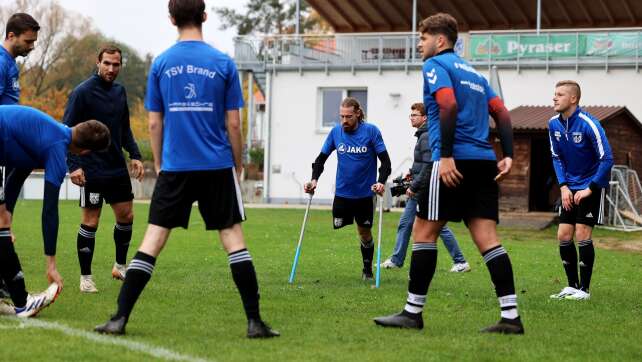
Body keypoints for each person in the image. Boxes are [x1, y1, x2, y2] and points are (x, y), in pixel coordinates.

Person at [94, 0, 279, 338]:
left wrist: (162, 163)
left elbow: (154, 122)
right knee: (233, 239)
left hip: (176, 167)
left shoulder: (162, 63)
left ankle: (119, 318)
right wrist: (237, 164)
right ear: (204, 17)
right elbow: (234, 124)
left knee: (153, 240)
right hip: (216, 165)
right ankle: (254, 322)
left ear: (171, 19)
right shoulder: (223, 62)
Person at [373, 13, 523, 334]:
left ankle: (412, 313)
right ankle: (511, 317)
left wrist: (447, 155)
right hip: (483, 161)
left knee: (423, 233)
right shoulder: (474, 73)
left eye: (423, 39)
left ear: (440, 40)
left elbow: (448, 105)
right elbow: (502, 112)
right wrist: (508, 154)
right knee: (487, 239)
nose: (419, 44)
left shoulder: (435, 66)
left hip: (452, 162)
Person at [0, 105, 110, 316]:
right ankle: (23, 303)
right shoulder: (57, 150)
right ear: (86, 152)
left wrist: (8, 216)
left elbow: (16, 177)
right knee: (1, 224)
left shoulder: (49, 133)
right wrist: (51, 264)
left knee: (2, 222)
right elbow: (49, 211)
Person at [64, 45, 144, 293]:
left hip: (116, 167)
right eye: (107, 63)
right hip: (91, 169)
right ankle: (86, 278)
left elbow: (124, 128)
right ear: (98, 63)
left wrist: (136, 154)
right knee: (91, 221)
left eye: (116, 64)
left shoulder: (120, 92)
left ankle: (120, 266)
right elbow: (65, 131)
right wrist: (74, 165)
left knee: (127, 216)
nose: (111, 69)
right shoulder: (82, 92)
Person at [304, 97, 392, 280]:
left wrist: (381, 181)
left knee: (364, 232)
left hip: (365, 194)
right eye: (341, 116)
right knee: (338, 223)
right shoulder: (336, 133)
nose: (344, 121)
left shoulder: (371, 132)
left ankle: (367, 270)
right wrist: (314, 180)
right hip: (343, 193)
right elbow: (320, 160)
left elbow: (385, 162)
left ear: (358, 114)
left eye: (348, 117)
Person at [381, 102, 470, 272]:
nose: (411, 118)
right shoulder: (423, 134)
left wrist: (414, 186)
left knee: (438, 227)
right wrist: (411, 173)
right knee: (406, 224)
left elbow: (429, 165)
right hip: (421, 187)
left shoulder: (427, 135)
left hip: (423, 190)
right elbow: (422, 163)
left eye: (414, 115)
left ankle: (460, 261)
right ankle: (397, 259)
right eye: (411, 115)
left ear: (425, 117)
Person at [548, 80, 613, 301]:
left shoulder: (589, 124)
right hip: (569, 188)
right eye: (554, 94)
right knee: (563, 235)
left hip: (590, 187)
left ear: (573, 99)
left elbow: (607, 159)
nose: (554, 98)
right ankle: (572, 286)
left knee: (583, 233)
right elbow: (556, 157)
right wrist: (563, 186)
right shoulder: (553, 125)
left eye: (560, 94)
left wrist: (590, 188)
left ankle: (584, 290)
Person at [0, 12, 40, 298]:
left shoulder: (11, 65)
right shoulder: (0, 63)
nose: (32, 46)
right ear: (11, 35)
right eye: (28, 41)